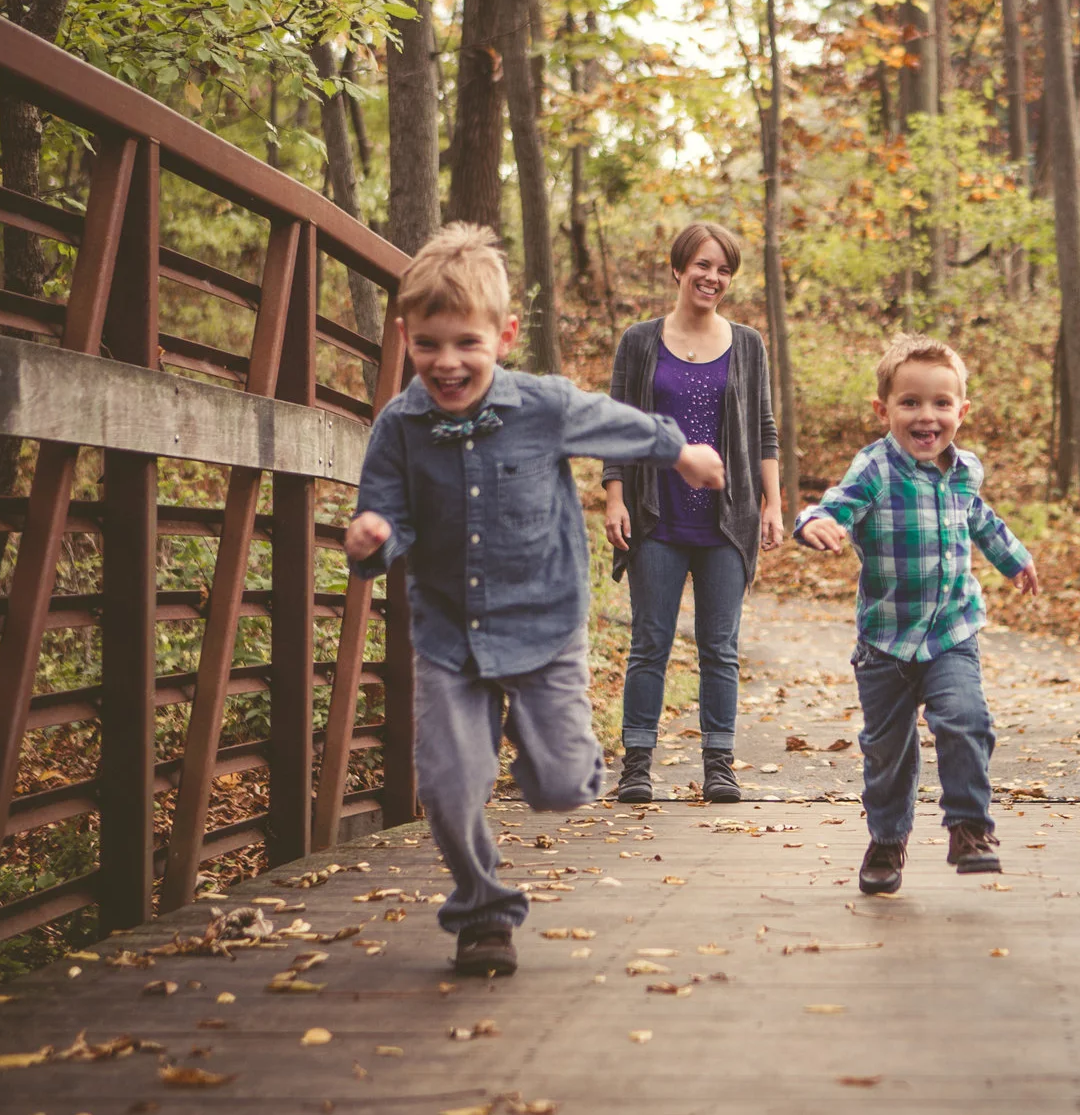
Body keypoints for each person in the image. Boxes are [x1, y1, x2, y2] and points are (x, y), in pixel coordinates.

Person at [344, 223, 726, 977]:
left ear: (504, 334)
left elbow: (614, 422)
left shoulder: (543, 405)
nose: (446, 363)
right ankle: (483, 912)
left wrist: (680, 450)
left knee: (560, 784)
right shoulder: (399, 425)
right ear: (405, 337)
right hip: (451, 633)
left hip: (545, 624)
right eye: (427, 345)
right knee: (448, 786)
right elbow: (385, 510)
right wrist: (373, 536)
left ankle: (542, 748)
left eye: (465, 344)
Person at [794, 335, 1039, 896]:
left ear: (961, 412)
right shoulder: (875, 468)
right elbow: (833, 505)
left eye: (940, 404)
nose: (926, 416)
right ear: (884, 411)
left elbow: (979, 517)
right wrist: (813, 524)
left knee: (966, 720)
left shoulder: (965, 470)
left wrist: (1014, 557)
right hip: (885, 642)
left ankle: (970, 827)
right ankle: (886, 839)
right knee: (889, 752)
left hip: (953, 631)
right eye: (910, 403)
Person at [604, 223, 784, 806]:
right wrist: (613, 496)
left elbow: (763, 429)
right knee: (650, 641)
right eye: (703, 265)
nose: (713, 278)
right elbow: (619, 424)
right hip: (656, 514)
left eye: (724, 269)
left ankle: (720, 765)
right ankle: (636, 764)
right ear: (678, 268)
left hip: (726, 520)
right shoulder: (640, 341)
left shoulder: (749, 343)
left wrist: (773, 502)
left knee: (720, 647)